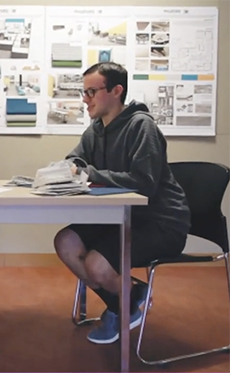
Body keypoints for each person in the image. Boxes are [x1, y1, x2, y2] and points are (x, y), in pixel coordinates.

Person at [53, 62, 191, 344]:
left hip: (160, 223)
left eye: (91, 92)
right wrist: (72, 167)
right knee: (65, 241)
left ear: (117, 91)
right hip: (122, 217)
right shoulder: (96, 129)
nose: (85, 99)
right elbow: (77, 158)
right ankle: (128, 298)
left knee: (97, 265)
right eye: (84, 91)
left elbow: (144, 182)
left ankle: (123, 304)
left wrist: (90, 173)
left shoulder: (142, 126)